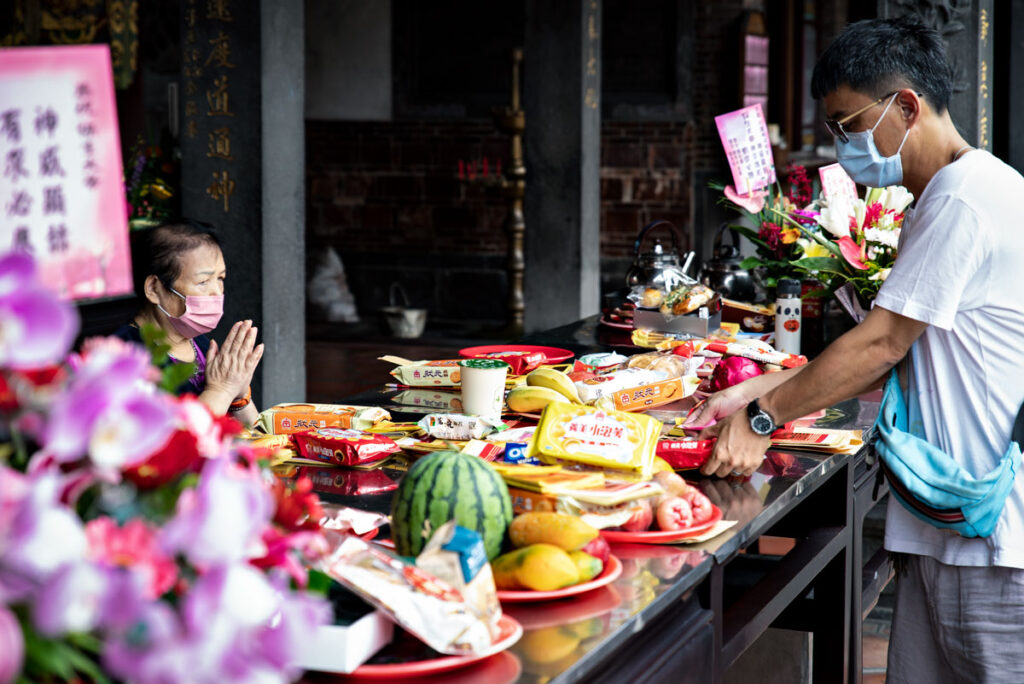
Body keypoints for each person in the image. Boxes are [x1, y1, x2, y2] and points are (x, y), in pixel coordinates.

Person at [684, 16, 1024, 682]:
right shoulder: (959, 191)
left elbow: (882, 343)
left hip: (988, 542)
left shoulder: (964, 200)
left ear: (906, 107)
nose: (841, 146)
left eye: (848, 124)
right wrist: (756, 390)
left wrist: (762, 419)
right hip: (955, 524)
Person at [115, 220, 263, 426]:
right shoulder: (127, 354)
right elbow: (177, 440)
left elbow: (255, 434)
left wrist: (239, 396)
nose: (217, 292)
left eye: (220, 279)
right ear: (154, 288)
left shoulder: (200, 344)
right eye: (203, 282)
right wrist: (220, 391)